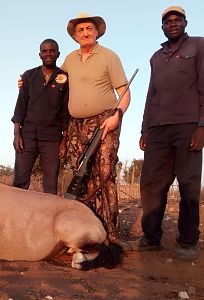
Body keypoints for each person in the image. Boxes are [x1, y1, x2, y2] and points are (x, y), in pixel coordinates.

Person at [128, 6, 204, 261]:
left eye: (177, 19)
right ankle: (150, 238)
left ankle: (188, 241)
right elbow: (151, 94)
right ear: (162, 26)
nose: (172, 23)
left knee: (188, 184)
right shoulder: (156, 57)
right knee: (151, 184)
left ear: (185, 22)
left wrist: (202, 126)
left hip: (188, 125)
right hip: (158, 129)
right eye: (167, 21)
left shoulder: (198, 46)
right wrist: (145, 128)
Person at [62, 13, 131, 241]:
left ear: (96, 31)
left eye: (89, 28)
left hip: (104, 121)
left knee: (104, 174)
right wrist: (26, 82)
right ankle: (86, 228)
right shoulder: (69, 60)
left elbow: (125, 93)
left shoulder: (109, 56)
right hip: (75, 126)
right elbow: (56, 85)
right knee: (80, 175)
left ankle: (111, 232)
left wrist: (117, 116)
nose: (85, 33)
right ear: (75, 35)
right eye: (80, 29)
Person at [11, 39, 69, 195]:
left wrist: (64, 141)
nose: (48, 54)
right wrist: (17, 134)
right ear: (40, 54)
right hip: (28, 136)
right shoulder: (29, 76)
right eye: (45, 51)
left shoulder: (64, 78)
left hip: (52, 139)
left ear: (58, 54)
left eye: (52, 50)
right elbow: (20, 105)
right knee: (19, 183)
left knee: (50, 186)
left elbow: (65, 111)